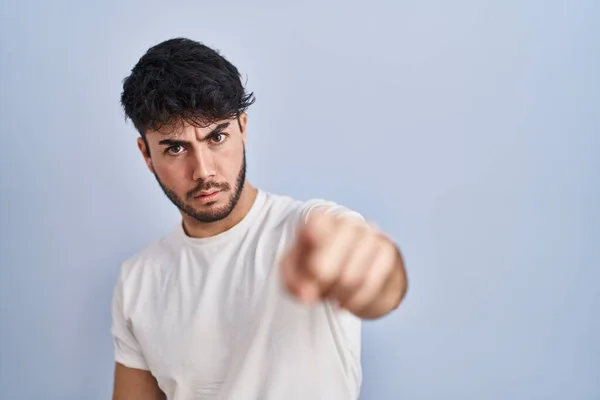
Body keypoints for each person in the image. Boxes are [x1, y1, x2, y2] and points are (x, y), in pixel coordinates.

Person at [111, 37, 408, 400]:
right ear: (146, 154)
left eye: (217, 137)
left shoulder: (310, 228)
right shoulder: (137, 280)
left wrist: (373, 269)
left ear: (243, 128)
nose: (203, 171)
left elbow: (382, 287)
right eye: (176, 148)